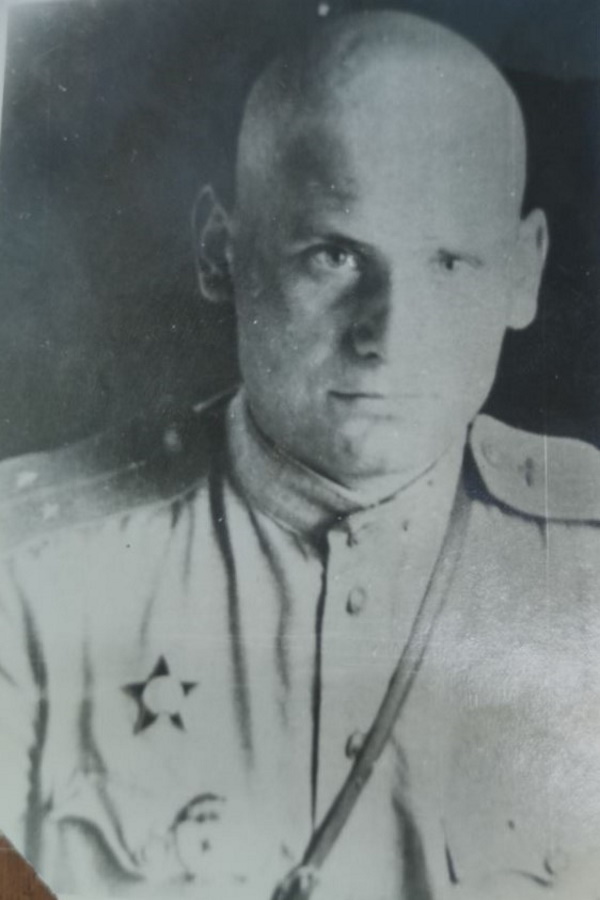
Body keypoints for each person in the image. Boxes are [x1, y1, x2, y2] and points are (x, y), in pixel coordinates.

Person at [1, 9, 600, 900]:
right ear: (221, 253)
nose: (388, 335)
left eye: (448, 263)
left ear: (524, 270)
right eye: (336, 256)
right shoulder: (31, 579)